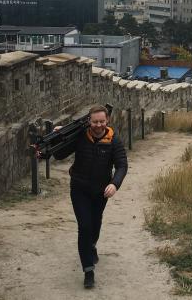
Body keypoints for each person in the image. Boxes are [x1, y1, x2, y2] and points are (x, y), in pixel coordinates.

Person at [53, 105, 128, 289]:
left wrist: (114, 184)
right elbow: (59, 155)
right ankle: (88, 271)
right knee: (84, 226)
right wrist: (59, 136)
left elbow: (122, 165)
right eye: (95, 122)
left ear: (107, 120)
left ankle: (92, 245)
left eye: (102, 121)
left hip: (101, 192)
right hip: (79, 189)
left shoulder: (114, 140)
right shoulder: (80, 136)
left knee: (95, 223)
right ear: (89, 121)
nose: (98, 125)